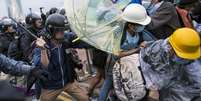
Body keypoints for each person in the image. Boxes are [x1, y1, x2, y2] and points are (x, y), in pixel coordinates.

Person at [98, 4, 152, 101]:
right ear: (131, 25)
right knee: (109, 83)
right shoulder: (118, 33)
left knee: (126, 84)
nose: (142, 27)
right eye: (140, 25)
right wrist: (137, 49)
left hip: (129, 64)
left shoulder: (139, 33)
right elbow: (116, 54)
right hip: (114, 64)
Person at [33, 13, 90, 101]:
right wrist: (43, 50)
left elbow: (82, 41)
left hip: (68, 82)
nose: (63, 32)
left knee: (85, 98)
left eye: (63, 29)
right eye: (59, 30)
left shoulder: (66, 38)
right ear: (51, 30)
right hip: (51, 86)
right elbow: (43, 66)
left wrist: (94, 40)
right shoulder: (41, 44)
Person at [140, 28, 201, 101]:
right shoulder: (163, 47)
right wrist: (153, 88)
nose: (168, 49)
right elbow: (150, 61)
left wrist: (154, 89)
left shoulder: (193, 70)